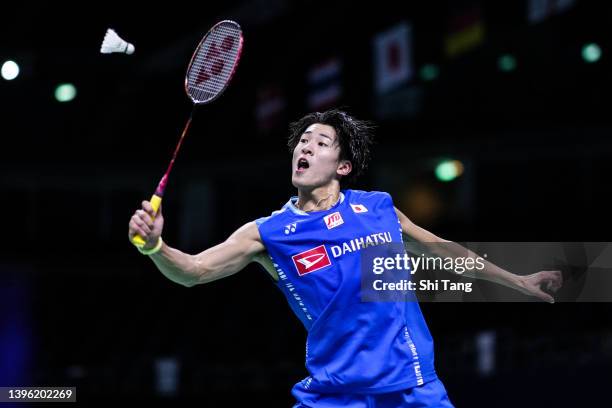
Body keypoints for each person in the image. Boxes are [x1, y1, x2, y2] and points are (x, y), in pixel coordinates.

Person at [128, 109, 562, 407]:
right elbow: (194, 272)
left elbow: (442, 249)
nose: (306, 147)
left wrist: (519, 281)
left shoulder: (377, 208)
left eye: (321, 142)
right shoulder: (268, 233)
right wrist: (155, 248)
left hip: (410, 386)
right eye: (302, 141)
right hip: (334, 393)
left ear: (343, 167)